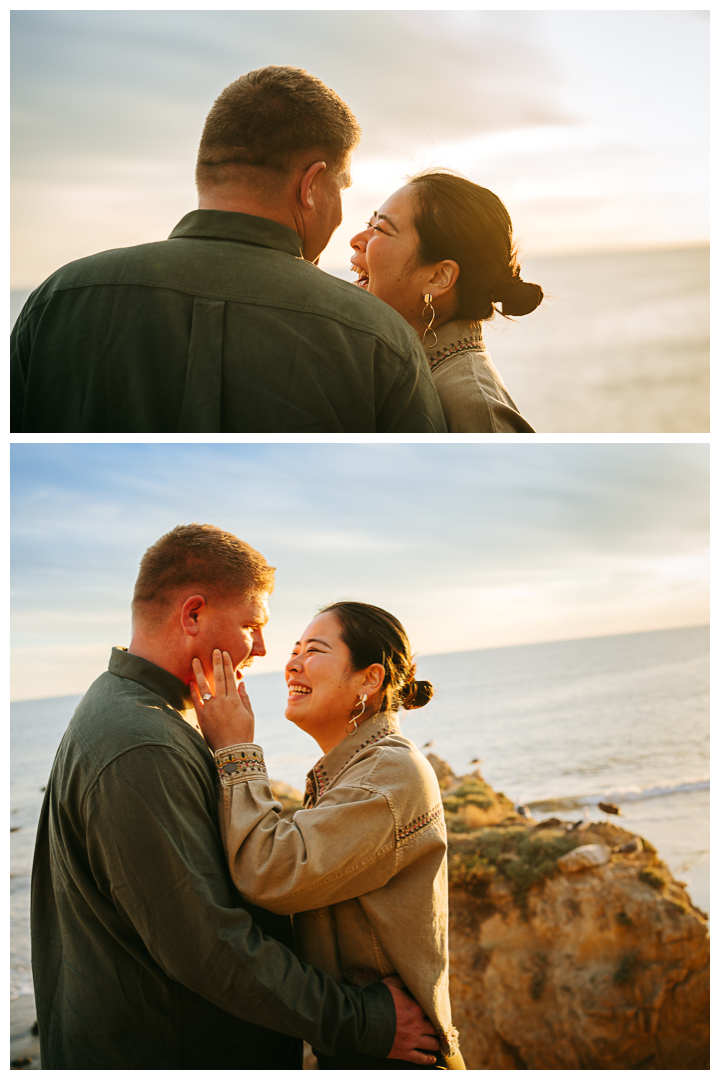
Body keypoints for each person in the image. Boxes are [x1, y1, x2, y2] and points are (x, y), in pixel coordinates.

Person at [30, 525, 440, 1069]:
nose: (269, 651)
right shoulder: (140, 742)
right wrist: (363, 1020)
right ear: (193, 614)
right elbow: (207, 947)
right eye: (254, 625)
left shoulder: (149, 720)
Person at [11, 67, 446, 435]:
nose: (341, 219)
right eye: (342, 186)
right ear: (311, 185)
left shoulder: (56, 300)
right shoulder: (379, 340)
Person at [190, 600, 466, 1070]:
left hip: (398, 1056)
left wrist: (236, 750)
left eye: (314, 650)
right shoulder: (353, 771)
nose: (292, 662)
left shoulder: (388, 773)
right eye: (294, 649)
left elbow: (271, 872)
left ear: (369, 679)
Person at [350, 170, 542, 432]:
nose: (356, 241)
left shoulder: (474, 406)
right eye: (368, 224)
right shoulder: (415, 368)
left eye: (380, 229)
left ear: (439, 276)